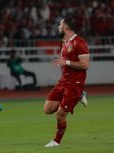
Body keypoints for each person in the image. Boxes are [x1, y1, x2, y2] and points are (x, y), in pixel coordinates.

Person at [44, 16, 90, 147]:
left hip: (74, 85)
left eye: (60, 24)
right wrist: (63, 65)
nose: (58, 27)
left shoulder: (79, 43)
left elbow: (85, 65)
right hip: (63, 82)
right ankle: (80, 95)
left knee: (60, 115)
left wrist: (66, 62)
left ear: (65, 27)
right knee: (47, 109)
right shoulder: (64, 42)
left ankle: (56, 141)